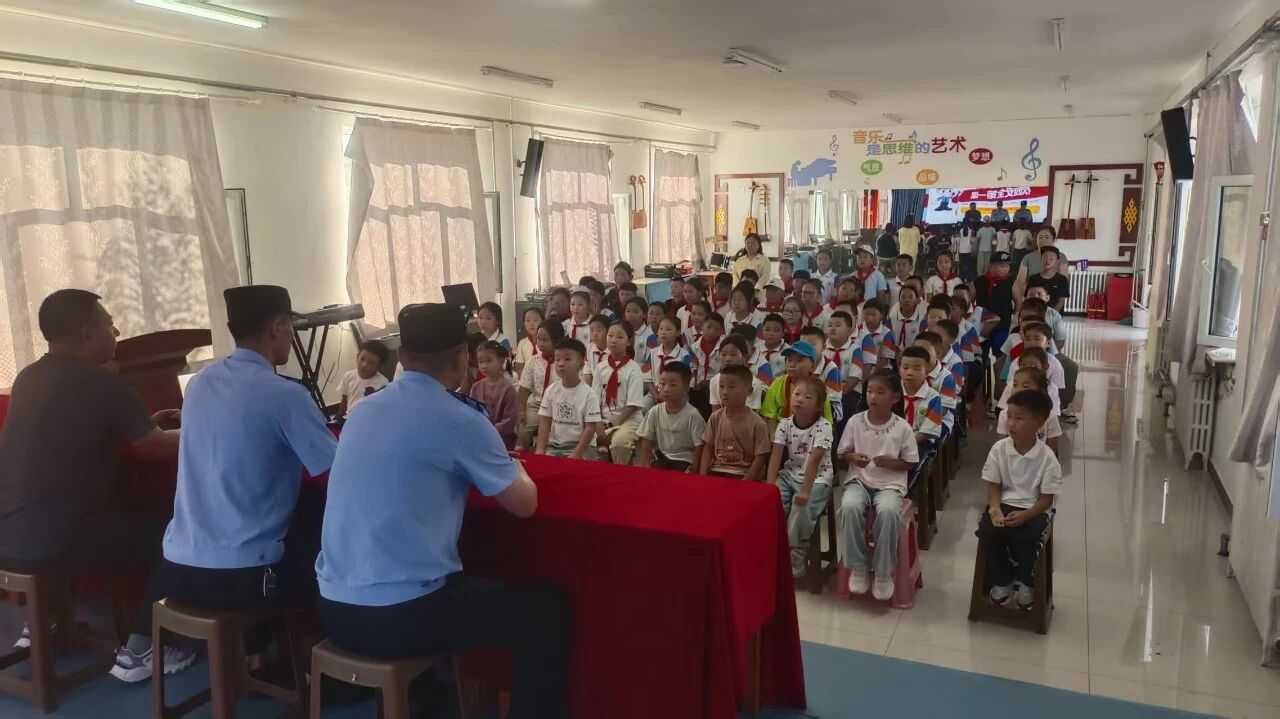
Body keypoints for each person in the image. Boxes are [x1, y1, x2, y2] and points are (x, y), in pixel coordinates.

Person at [316, 303, 568, 717]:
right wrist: (518, 470)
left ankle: (427, 698)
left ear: (402, 356)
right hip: (401, 616)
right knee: (544, 611)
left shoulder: (362, 411)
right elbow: (524, 504)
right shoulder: (459, 418)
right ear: (461, 358)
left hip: (332, 609)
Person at [114, 285, 339, 682]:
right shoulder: (285, 395)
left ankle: (253, 649)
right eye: (290, 328)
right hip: (244, 581)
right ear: (278, 326)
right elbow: (334, 473)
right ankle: (317, 663)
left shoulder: (200, 384)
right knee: (324, 520)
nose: (291, 337)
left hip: (176, 572)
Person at [0, 290, 181, 652]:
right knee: (177, 535)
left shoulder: (28, 378)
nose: (117, 332)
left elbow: (70, 433)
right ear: (86, 332)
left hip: (9, 537)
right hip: (63, 539)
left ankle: (45, 623)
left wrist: (143, 423)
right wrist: (202, 430)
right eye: (109, 324)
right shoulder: (100, 382)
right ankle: (145, 645)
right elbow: (153, 447)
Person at [837, 369, 919, 600]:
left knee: (889, 511)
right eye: (870, 391)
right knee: (849, 506)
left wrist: (892, 463)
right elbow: (843, 453)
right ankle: (858, 566)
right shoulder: (855, 421)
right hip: (859, 480)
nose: (873, 396)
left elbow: (910, 462)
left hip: (890, 485)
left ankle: (883, 572)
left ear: (894, 398)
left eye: (880, 392)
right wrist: (853, 458)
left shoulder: (902, 427)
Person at [978, 389, 1062, 609]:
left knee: (1029, 537)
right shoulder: (999, 449)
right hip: (1004, 504)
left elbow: (1046, 499)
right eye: (1009, 417)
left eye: (1019, 418)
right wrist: (994, 508)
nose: (1011, 424)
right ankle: (1002, 579)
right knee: (987, 531)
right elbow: (994, 484)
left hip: (1034, 510)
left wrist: (1026, 515)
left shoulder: (1047, 458)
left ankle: (1026, 582)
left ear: (1039, 423)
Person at [767, 375, 836, 577]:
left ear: (818, 406)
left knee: (801, 508)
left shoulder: (824, 426)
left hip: (817, 478)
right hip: (790, 474)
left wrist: (805, 491)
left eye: (807, 397)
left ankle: (795, 556)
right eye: (797, 394)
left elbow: (814, 461)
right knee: (774, 502)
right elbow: (776, 455)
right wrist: (769, 486)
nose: (799, 399)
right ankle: (773, 550)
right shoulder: (784, 424)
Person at [699, 365, 772, 480]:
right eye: (721, 386)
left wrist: (746, 481)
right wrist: (702, 478)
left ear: (749, 391)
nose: (724, 392)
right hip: (717, 471)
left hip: (743, 474)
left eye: (731, 387)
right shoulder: (715, 418)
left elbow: (760, 457)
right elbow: (708, 448)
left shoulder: (758, 424)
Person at [535, 338, 601, 459]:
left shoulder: (589, 394)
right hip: (556, 446)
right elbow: (544, 421)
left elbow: (590, 428)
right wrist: (540, 449)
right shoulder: (551, 391)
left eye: (567, 359)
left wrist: (576, 454)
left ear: (581, 363)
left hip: (583, 447)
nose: (561, 364)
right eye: (557, 359)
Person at [636, 362, 706, 472]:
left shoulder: (693, 415)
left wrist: (694, 469)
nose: (666, 389)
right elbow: (646, 440)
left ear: (686, 387)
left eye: (672, 385)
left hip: (684, 461)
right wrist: (645, 466)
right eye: (662, 384)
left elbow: (699, 446)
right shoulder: (655, 411)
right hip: (662, 458)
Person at [595, 322, 647, 465]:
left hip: (628, 420)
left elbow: (633, 405)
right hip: (603, 419)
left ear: (628, 341)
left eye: (619, 337)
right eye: (610, 335)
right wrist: (598, 424)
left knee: (620, 443)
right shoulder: (600, 368)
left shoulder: (634, 369)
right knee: (586, 438)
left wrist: (612, 424)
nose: (613, 340)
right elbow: (594, 401)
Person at [761, 340, 834, 431]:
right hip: (781, 431)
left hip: (812, 433)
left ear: (812, 366)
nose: (792, 364)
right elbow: (769, 416)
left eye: (799, 360)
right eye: (789, 360)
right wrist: (775, 437)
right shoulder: (777, 383)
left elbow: (827, 422)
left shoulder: (818, 387)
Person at [516, 320, 565, 450]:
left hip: (557, 406)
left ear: (557, 341)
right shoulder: (533, 361)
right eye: (538, 339)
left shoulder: (563, 363)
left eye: (545, 340)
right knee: (523, 430)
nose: (541, 343)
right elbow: (524, 389)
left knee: (553, 437)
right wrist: (521, 410)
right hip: (537, 404)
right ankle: (521, 453)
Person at [997, 365, 1063, 451]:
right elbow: (1001, 447)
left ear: (1040, 390)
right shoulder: (1004, 415)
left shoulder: (1050, 416)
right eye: (1015, 385)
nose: (1018, 389)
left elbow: (1052, 448)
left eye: (1025, 386)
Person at [472, 341, 519, 450]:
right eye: (480, 362)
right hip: (480, 436)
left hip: (502, 440)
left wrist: (490, 431)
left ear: (501, 361)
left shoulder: (508, 389)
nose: (484, 366)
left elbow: (509, 421)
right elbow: (472, 413)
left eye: (489, 361)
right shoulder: (476, 387)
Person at [897, 346, 945, 444]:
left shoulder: (934, 398)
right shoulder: (892, 392)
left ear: (927, 372)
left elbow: (927, 432)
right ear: (899, 369)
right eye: (905, 368)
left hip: (921, 443)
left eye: (916, 369)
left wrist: (906, 445)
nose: (909, 372)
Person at [1013, 226, 1071, 305]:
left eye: (1046, 237)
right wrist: (1019, 304)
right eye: (1040, 237)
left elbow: (1063, 284)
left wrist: (1057, 308)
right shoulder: (1028, 257)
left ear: (1053, 240)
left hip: (1054, 301)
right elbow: (1019, 283)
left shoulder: (1061, 257)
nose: (1043, 240)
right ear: (1036, 239)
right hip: (1033, 301)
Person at [710, 335, 765, 412]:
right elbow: (715, 412)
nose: (728, 359)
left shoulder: (754, 384)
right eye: (723, 354)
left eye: (733, 355)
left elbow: (750, 414)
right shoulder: (714, 380)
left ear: (744, 356)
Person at [338, 339, 390, 418]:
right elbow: (344, 398)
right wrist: (340, 415)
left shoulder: (383, 383)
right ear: (357, 357)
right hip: (349, 418)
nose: (364, 365)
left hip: (369, 418)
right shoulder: (348, 376)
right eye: (362, 359)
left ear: (380, 366)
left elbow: (383, 409)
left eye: (371, 363)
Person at [976, 251, 1015, 352]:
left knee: (1000, 353)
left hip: (1002, 325)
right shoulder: (979, 281)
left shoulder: (1011, 282)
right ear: (991, 266)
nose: (1005, 268)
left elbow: (1017, 301)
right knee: (980, 354)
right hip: (983, 326)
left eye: (1007, 266)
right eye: (1002, 266)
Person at [690, 312, 725, 416]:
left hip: (715, 386)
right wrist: (694, 383)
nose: (711, 331)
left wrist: (709, 382)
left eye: (716, 329)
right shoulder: (694, 347)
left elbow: (723, 370)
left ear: (721, 332)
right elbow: (691, 369)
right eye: (709, 327)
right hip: (696, 387)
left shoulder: (724, 347)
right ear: (702, 326)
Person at [1027, 246, 1069, 313]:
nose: (1047, 261)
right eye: (1045, 258)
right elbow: (1029, 298)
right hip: (1036, 313)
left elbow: (1061, 301)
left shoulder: (1062, 279)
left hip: (1055, 314)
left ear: (1057, 261)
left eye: (1051, 259)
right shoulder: (1033, 278)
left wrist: (1052, 314)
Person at [888, 284, 926, 352]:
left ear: (917, 300)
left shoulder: (922, 320)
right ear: (899, 300)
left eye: (910, 297)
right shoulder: (892, 318)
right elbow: (888, 340)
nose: (907, 300)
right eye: (903, 297)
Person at [755, 313, 791, 382]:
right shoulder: (755, 348)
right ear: (762, 331)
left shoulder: (789, 351)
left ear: (783, 333)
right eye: (767, 329)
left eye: (776, 330)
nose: (771, 333)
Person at [513, 306, 545, 376]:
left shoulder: (547, 342)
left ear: (543, 321)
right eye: (528, 321)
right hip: (527, 378)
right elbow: (519, 366)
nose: (531, 324)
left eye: (535, 320)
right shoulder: (522, 343)